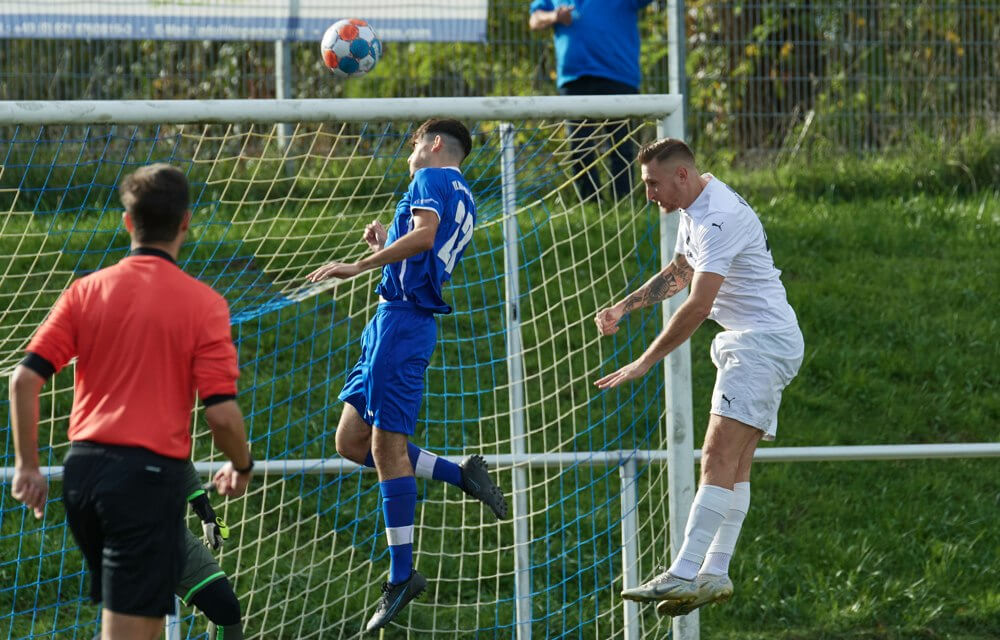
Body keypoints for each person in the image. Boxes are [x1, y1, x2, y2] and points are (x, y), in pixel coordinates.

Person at [9, 163, 254, 640]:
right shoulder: (203, 304)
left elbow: (23, 380)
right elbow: (222, 415)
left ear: (127, 223)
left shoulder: (85, 291)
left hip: (84, 478)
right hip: (142, 481)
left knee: (136, 622)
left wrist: (27, 467)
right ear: (185, 222)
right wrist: (241, 465)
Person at [306, 119, 508, 633]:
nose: (410, 153)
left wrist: (359, 263)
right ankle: (460, 474)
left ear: (434, 144)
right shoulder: (465, 194)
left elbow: (423, 238)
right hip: (391, 323)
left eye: (414, 143)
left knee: (385, 449)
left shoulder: (430, 178)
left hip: (402, 324)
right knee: (350, 441)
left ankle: (402, 575)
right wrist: (387, 241)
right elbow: (420, 247)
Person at [593, 139, 803, 616]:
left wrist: (645, 361)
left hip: (759, 344)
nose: (649, 194)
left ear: (682, 175)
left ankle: (684, 572)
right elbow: (679, 272)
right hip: (762, 341)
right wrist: (625, 307)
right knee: (735, 463)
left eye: (653, 184)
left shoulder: (719, 217)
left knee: (715, 454)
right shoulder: (695, 208)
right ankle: (714, 573)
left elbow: (697, 305)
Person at [529, 0, 655, 201]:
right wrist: (554, 16)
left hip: (618, 76)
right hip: (574, 79)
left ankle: (623, 203)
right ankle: (590, 204)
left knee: (621, 145)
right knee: (580, 145)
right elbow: (534, 19)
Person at [179, 465, 244, 640]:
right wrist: (243, 465)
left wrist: (206, 513)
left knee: (226, 608)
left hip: (172, 536)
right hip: (124, 538)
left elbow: (181, 459)